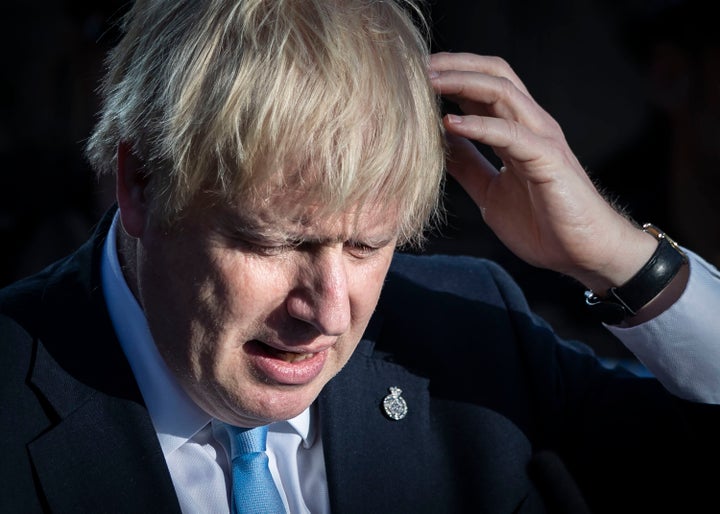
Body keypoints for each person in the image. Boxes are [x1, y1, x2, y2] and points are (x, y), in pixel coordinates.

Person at [1, 1, 719, 513]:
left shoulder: (470, 335)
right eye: (276, 242)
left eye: (369, 245)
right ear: (139, 183)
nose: (329, 311)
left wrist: (624, 262)